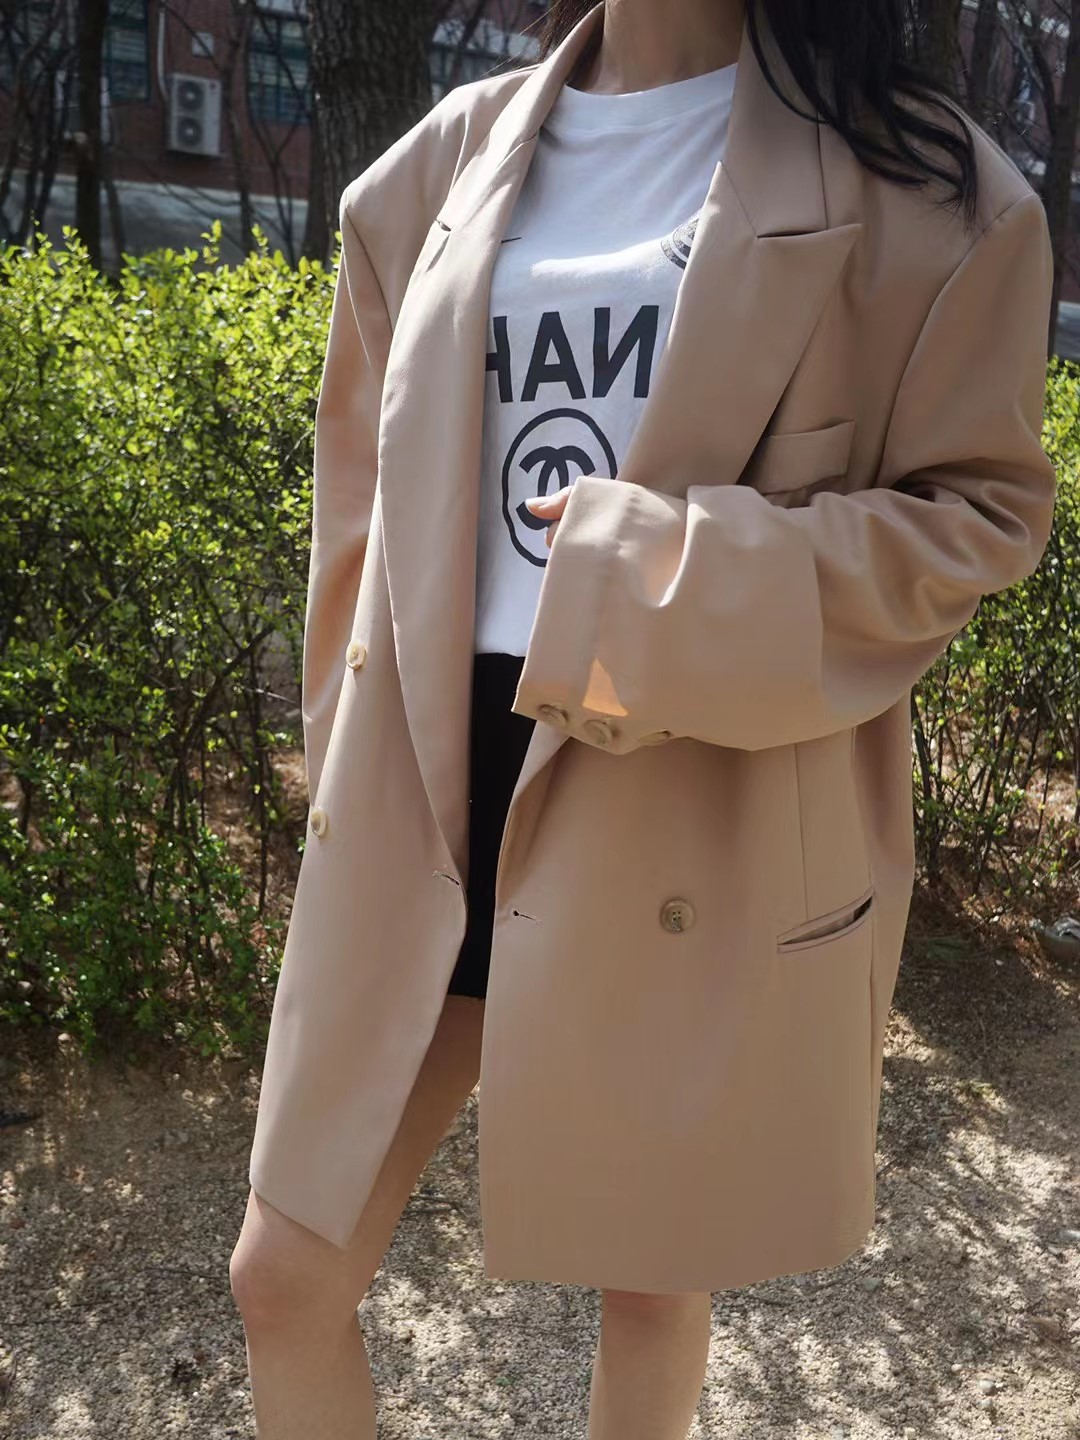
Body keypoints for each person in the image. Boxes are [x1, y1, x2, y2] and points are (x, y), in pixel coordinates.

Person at [229, 1, 1057, 1437]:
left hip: (682, 776)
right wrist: (334, 754)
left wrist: (675, 571)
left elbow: (979, 515)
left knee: (652, 1288)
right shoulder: (439, 165)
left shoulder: (926, 189)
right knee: (283, 1277)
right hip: (426, 793)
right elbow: (357, 504)